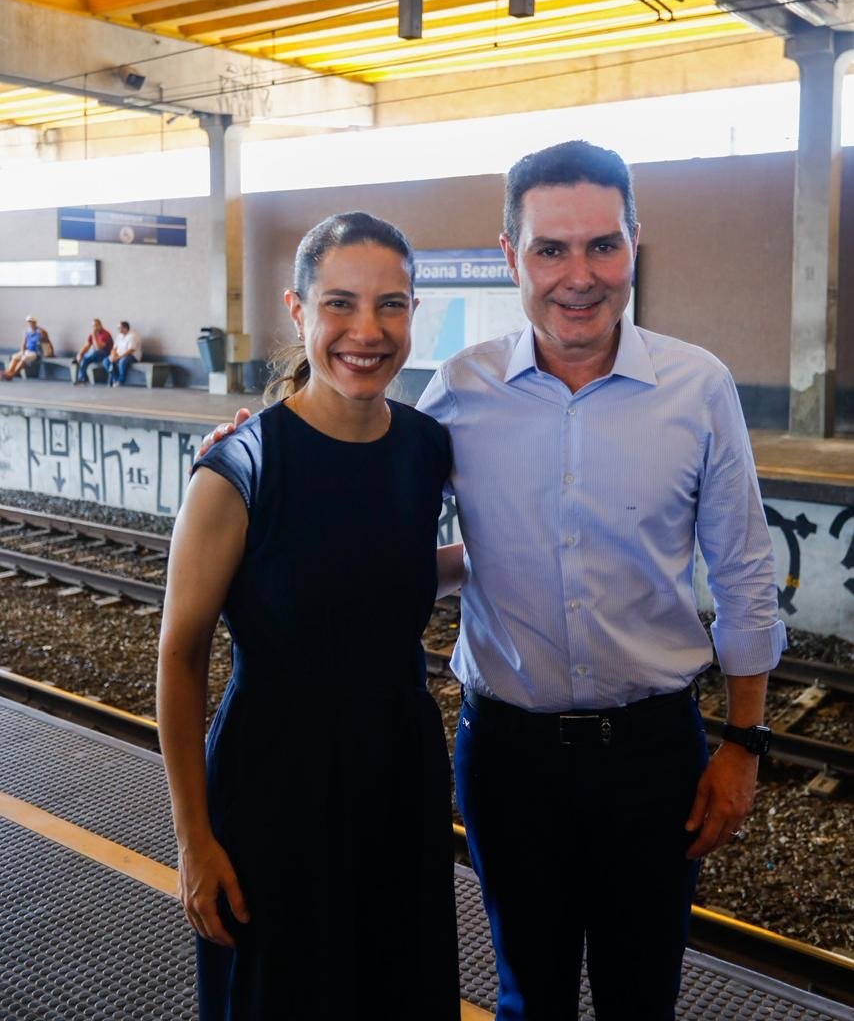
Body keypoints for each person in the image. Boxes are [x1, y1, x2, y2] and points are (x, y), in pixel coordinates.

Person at [201, 142, 786, 1021]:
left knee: (644, 999)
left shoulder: (698, 388)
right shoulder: (457, 393)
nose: (578, 276)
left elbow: (745, 575)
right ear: (511, 255)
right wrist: (255, 452)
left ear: (636, 243)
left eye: (603, 246)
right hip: (507, 762)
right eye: (551, 249)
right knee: (529, 998)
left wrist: (745, 745)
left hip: (655, 760)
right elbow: (358, 494)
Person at [158, 212, 460, 1021]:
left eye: (391, 305)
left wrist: (492, 562)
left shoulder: (428, 446)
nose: (367, 331)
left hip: (399, 775)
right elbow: (179, 658)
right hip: (272, 788)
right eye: (340, 304)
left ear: (412, 314)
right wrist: (193, 843)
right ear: (298, 311)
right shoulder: (241, 467)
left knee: (398, 989)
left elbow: (365, 579)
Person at [1, 315, 51, 379]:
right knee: (15, 357)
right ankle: (8, 371)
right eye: (29, 322)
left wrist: (50, 352)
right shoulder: (27, 331)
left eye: (32, 322)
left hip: (35, 353)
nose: (31, 323)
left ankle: (12, 374)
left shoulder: (41, 332)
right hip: (27, 351)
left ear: (35, 322)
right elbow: (24, 343)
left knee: (24, 359)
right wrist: (23, 351)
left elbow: (48, 343)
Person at [73, 318, 113, 384]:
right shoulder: (92, 334)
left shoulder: (105, 334)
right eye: (93, 326)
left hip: (105, 355)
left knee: (93, 352)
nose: (94, 327)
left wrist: (94, 335)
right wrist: (80, 354)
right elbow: (86, 346)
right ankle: (82, 379)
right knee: (84, 360)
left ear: (100, 325)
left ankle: (84, 357)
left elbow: (98, 348)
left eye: (96, 325)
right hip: (93, 356)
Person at [105, 320, 142, 386]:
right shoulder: (119, 336)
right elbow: (114, 348)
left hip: (131, 356)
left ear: (125, 328)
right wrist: (112, 356)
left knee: (123, 361)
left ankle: (121, 380)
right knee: (106, 361)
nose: (118, 329)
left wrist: (118, 357)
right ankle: (116, 379)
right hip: (118, 355)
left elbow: (131, 350)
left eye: (119, 328)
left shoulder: (133, 336)